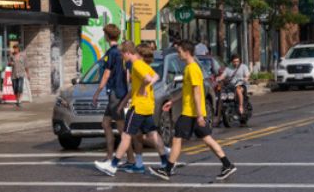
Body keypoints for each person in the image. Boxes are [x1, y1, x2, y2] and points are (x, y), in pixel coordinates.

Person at [152, 40, 236, 181]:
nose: (178, 54)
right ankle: (227, 164)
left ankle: (167, 169)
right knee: (207, 139)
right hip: (192, 113)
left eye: (179, 52)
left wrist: (199, 115)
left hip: (191, 113)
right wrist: (172, 101)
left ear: (186, 52)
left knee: (177, 139)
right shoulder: (189, 68)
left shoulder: (192, 69)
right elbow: (186, 90)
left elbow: (197, 92)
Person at [93, 41, 173, 176]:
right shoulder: (143, 64)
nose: (122, 58)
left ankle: (112, 165)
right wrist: (124, 102)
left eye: (122, 55)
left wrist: (143, 87)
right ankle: (165, 163)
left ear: (128, 53)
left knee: (126, 135)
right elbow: (155, 76)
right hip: (147, 105)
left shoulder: (136, 65)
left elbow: (148, 79)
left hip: (139, 106)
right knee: (153, 134)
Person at [91, 24, 128, 163]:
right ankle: (109, 156)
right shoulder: (121, 51)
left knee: (121, 129)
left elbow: (106, 74)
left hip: (115, 94)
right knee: (106, 124)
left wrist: (97, 92)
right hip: (119, 92)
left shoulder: (112, 53)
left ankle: (130, 159)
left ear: (107, 36)